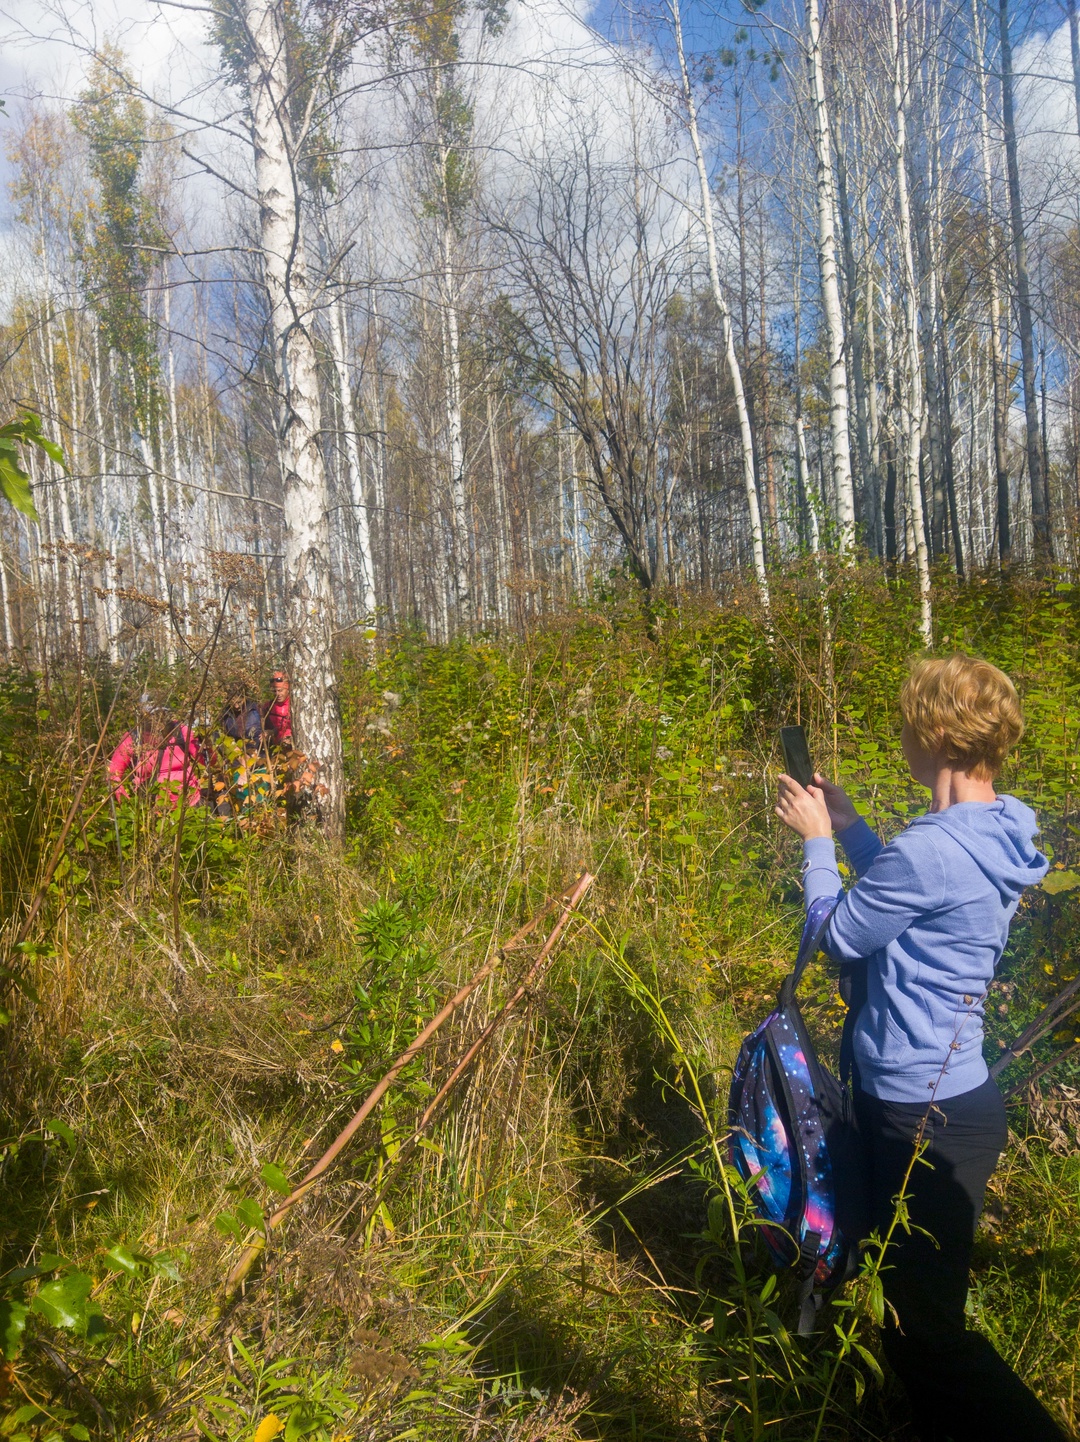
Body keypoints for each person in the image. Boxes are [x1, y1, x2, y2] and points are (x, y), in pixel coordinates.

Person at [775, 655, 1068, 1442]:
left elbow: (835, 935)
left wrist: (812, 845)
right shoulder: (999, 827)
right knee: (898, 1304)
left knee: (927, 1332)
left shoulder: (933, 848)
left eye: (908, 722)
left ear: (935, 735)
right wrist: (852, 829)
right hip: (948, 1101)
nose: (901, 735)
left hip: (918, 1112)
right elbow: (911, 897)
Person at [108, 695, 202, 808]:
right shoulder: (132, 738)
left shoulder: (181, 731)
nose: (158, 718)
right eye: (153, 714)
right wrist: (122, 796)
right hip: (150, 806)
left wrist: (206, 745)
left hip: (188, 802)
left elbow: (207, 760)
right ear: (143, 715)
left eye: (162, 713)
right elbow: (113, 773)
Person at [262, 668, 291, 748]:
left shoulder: (294, 706)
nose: (277, 694)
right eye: (275, 691)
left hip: (291, 746)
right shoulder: (268, 706)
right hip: (274, 746)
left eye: (280, 690)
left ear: (288, 690)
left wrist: (290, 737)